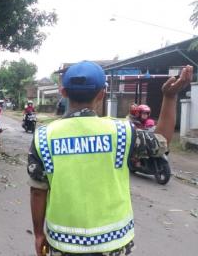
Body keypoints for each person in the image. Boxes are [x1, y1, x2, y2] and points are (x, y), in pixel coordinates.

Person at [28, 61, 192, 256]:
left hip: (64, 243)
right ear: (101, 94)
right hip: (114, 243)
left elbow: (38, 192)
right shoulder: (122, 131)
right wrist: (170, 96)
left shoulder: (44, 136)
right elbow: (162, 141)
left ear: (63, 92)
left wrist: (39, 234)